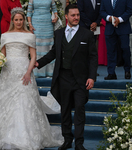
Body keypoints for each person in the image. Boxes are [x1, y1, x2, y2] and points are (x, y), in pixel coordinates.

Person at [0, 7, 63, 149]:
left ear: (24, 20)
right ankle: (1, 133)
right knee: (3, 101)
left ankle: (25, 135)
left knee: (24, 101)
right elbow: (2, 55)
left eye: (21, 19)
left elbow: (33, 56)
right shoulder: (5, 35)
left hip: (24, 70)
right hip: (8, 72)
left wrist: (28, 71)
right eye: (16, 19)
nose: (18, 22)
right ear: (12, 20)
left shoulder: (30, 35)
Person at [35, 4, 98, 150]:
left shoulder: (87, 34)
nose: (76, 18)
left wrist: (92, 77)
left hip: (81, 80)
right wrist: (38, 63)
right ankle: (67, 139)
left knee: (80, 111)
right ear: (66, 17)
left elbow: (93, 58)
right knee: (65, 111)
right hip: (63, 78)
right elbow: (53, 53)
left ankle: (79, 143)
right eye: (73, 15)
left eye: (78, 15)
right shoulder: (58, 34)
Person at [100, 0, 132, 80]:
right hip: (110, 29)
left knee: (125, 49)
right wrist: (109, 18)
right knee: (110, 51)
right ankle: (111, 73)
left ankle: (127, 70)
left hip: (123, 28)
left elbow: (129, 10)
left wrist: (119, 19)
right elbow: (102, 11)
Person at [27, 0, 58, 77]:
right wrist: (30, 24)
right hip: (36, 24)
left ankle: (50, 72)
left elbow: (55, 9)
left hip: (48, 23)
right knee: (37, 46)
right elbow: (29, 12)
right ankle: (37, 72)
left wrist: (56, 17)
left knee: (48, 46)